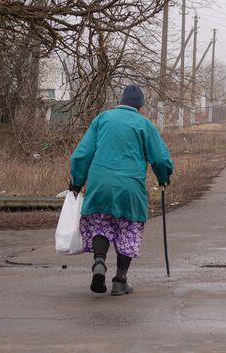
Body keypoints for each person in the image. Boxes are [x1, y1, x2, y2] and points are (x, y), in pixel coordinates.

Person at [69, 84, 174, 295]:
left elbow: (82, 154)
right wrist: (163, 178)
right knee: (128, 229)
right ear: (140, 107)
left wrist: (77, 181)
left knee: (101, 224)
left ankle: (99, 261)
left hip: (99, 183)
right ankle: (120, 280)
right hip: (129, 186)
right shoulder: (145, 125)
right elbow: (161, 158)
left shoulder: (102, 119)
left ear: (121, 101)